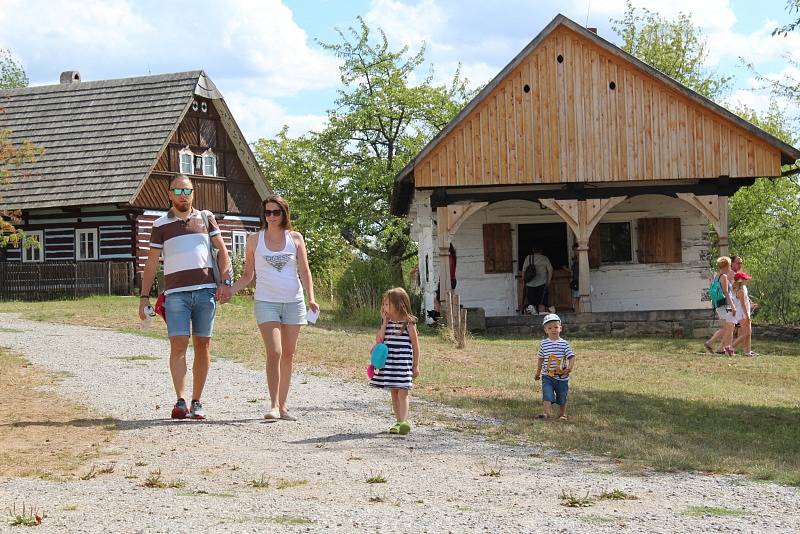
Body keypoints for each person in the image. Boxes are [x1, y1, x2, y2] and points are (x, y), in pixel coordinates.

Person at [138, 174, 233, 420]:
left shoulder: (206, 218)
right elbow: (150, 264)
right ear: (169, 194)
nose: (183, 195)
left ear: (193, 193)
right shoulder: (160, 225)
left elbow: (222, 251)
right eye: (178, 191)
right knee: (178, 345)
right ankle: (180, 401)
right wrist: (143, 297)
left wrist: (226, 282)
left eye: (187, 191)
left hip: (205, 292)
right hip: (176, 295)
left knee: (203, 345)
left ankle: (197, 401)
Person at [229, 195, 319, 421]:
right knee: (275, 352)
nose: (270, 217)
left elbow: (305, 271)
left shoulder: (295, 238)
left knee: (288, 354)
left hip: (294, 301)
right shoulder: (253, 240)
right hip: (266, 301)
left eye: (275, 212)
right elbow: (248, 275)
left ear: (284, 214)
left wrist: (311, 298)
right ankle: (272, 406)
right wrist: (229, 290)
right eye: (267, 212)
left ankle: (283, 405)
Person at [370, 287, 421, 435]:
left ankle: (403, 422)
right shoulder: (387, 322)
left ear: (399, 304)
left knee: (403, 393)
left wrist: (415, 366)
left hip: (403, 365)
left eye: (387, 304)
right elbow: (379, 340)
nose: (384, 307)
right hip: (390, 365)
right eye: (384, 304)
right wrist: (384, 323)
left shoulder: (408, 324)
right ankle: (398, 422)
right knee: (394, 392)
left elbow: (416, 347)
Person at [534, 313, 575, 421]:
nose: (553, 330)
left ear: (560, 328)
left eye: (556, 327)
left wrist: (569, 368)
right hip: (547, 375)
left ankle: (562, 414)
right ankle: (546, 413)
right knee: (547, 393)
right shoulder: (543, 344)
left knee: (562, 396)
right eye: (550, 328)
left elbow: (571, 357)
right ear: (545, 330)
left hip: (561, 377)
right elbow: (541, 359)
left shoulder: (564, 344)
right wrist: (538, 372)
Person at [703, 256, 737, 356]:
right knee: (730, 328)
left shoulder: (716, 276)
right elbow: (726, 293)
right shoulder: (724, 277)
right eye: (730, 265)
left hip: (719, 305)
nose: (730, 267)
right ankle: (728, 350)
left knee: (728, 328)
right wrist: (733, 307)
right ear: (726, 265)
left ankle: (716, 345)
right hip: (725, 306)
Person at [521, 246, 553, 314]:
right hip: (542, 284)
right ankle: (541, 320)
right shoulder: (544, 258)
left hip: (530, 284)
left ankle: (533, 320)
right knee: (542, 304)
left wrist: (524, 282)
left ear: (533, 250)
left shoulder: (528, 258)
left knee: (532, 305)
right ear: (541, 251)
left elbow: (523, 271)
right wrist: (548, 282)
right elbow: (550, 270)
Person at [731, 271, 757, 356]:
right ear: (740, 280)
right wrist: (747, 316)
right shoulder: (740, 290)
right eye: (745, 279)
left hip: (745, 312)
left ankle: (747, 351)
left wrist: (751, 305)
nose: (746, 280)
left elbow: (745, 301)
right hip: (742, 314)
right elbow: (742, 305)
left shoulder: (744, 287)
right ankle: (730, 347)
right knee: (746, 333)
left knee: (748, 333)